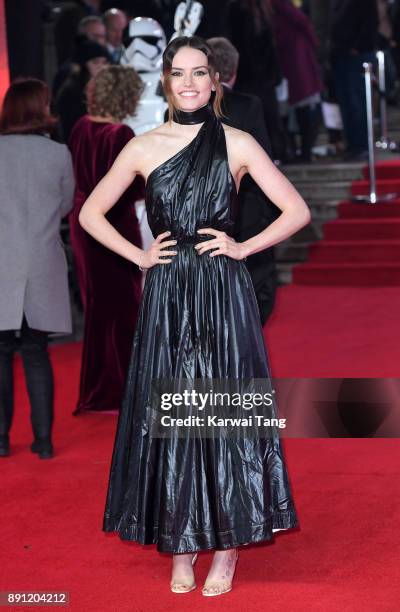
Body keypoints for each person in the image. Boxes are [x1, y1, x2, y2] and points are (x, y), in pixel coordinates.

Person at [79, 36, 309, 596]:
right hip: (167, 295)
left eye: (198, 72)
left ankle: (226, 549)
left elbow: (296, 210)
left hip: (222, 293)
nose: (188, 83)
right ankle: (181, 544)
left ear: (214, 82)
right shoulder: (142, 146)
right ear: (165, 80)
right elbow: (89, 212)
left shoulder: (237, 142)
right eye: (178, 72)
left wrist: (243, 247)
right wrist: (139, 256)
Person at [0, 78, 75, 459]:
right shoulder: (58, 154)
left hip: (1, 264)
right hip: (42, 262)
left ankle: (0, 440)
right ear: (38, 108)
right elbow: (64, 206)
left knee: (0, 355)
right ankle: (43, 441)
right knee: (36, 353)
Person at [68, 65, 145, 414]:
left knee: (99, 308)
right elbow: (132, 187)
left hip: (83, 221)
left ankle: (100, 390)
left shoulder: (81, 126)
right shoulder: (120, 134)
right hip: (113, 224)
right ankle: (122, 392)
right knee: (124, 308)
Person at [206, 36, 280, 324]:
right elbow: (263, 162)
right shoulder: (248, 105)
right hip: (245, 209)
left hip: (199, 214)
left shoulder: (178, 110)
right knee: (256, 288)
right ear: (233, 71)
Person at [226, 0, 286, 161]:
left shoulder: (246, 9)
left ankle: (268, 156)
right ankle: (272, 156)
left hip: (253, 77)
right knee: (264, 119)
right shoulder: (253, 9)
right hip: (257, 77)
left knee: (259, 120)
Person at [270, 0, 323, 163]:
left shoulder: (278, 4)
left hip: (294, 61)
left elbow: (301, 21)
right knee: (298, 109)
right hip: (294, 60)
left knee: (299, 109)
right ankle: (300, 151)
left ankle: (301, 151)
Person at [330, 0, 379, 160]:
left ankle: (361, 146)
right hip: (341, 55)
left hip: (357, 55)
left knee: (357, 102)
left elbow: (370, 23)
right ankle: (353, 145)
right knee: (347, 104)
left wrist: (357, 47)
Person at [55, 37, 112, 143]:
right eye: (96, 62)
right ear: (83, 66)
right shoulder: (71, 94)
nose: (102, 67)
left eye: (105, 62)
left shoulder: (111, 88)